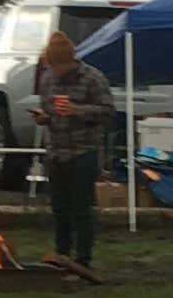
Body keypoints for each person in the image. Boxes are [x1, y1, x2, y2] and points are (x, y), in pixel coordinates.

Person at [32, 27, 116, 270]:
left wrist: (77, 111)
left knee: (82, 207)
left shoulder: (93, 78)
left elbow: (108, 112)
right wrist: (44, 118)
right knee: (59, 208)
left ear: (70, 61)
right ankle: (61, 254)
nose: (56, 72)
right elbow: (48, 111)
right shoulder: (47, 79)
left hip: (83, 151)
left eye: (59, 67)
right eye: (52, 67)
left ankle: (83, 258)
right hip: (56, 151)